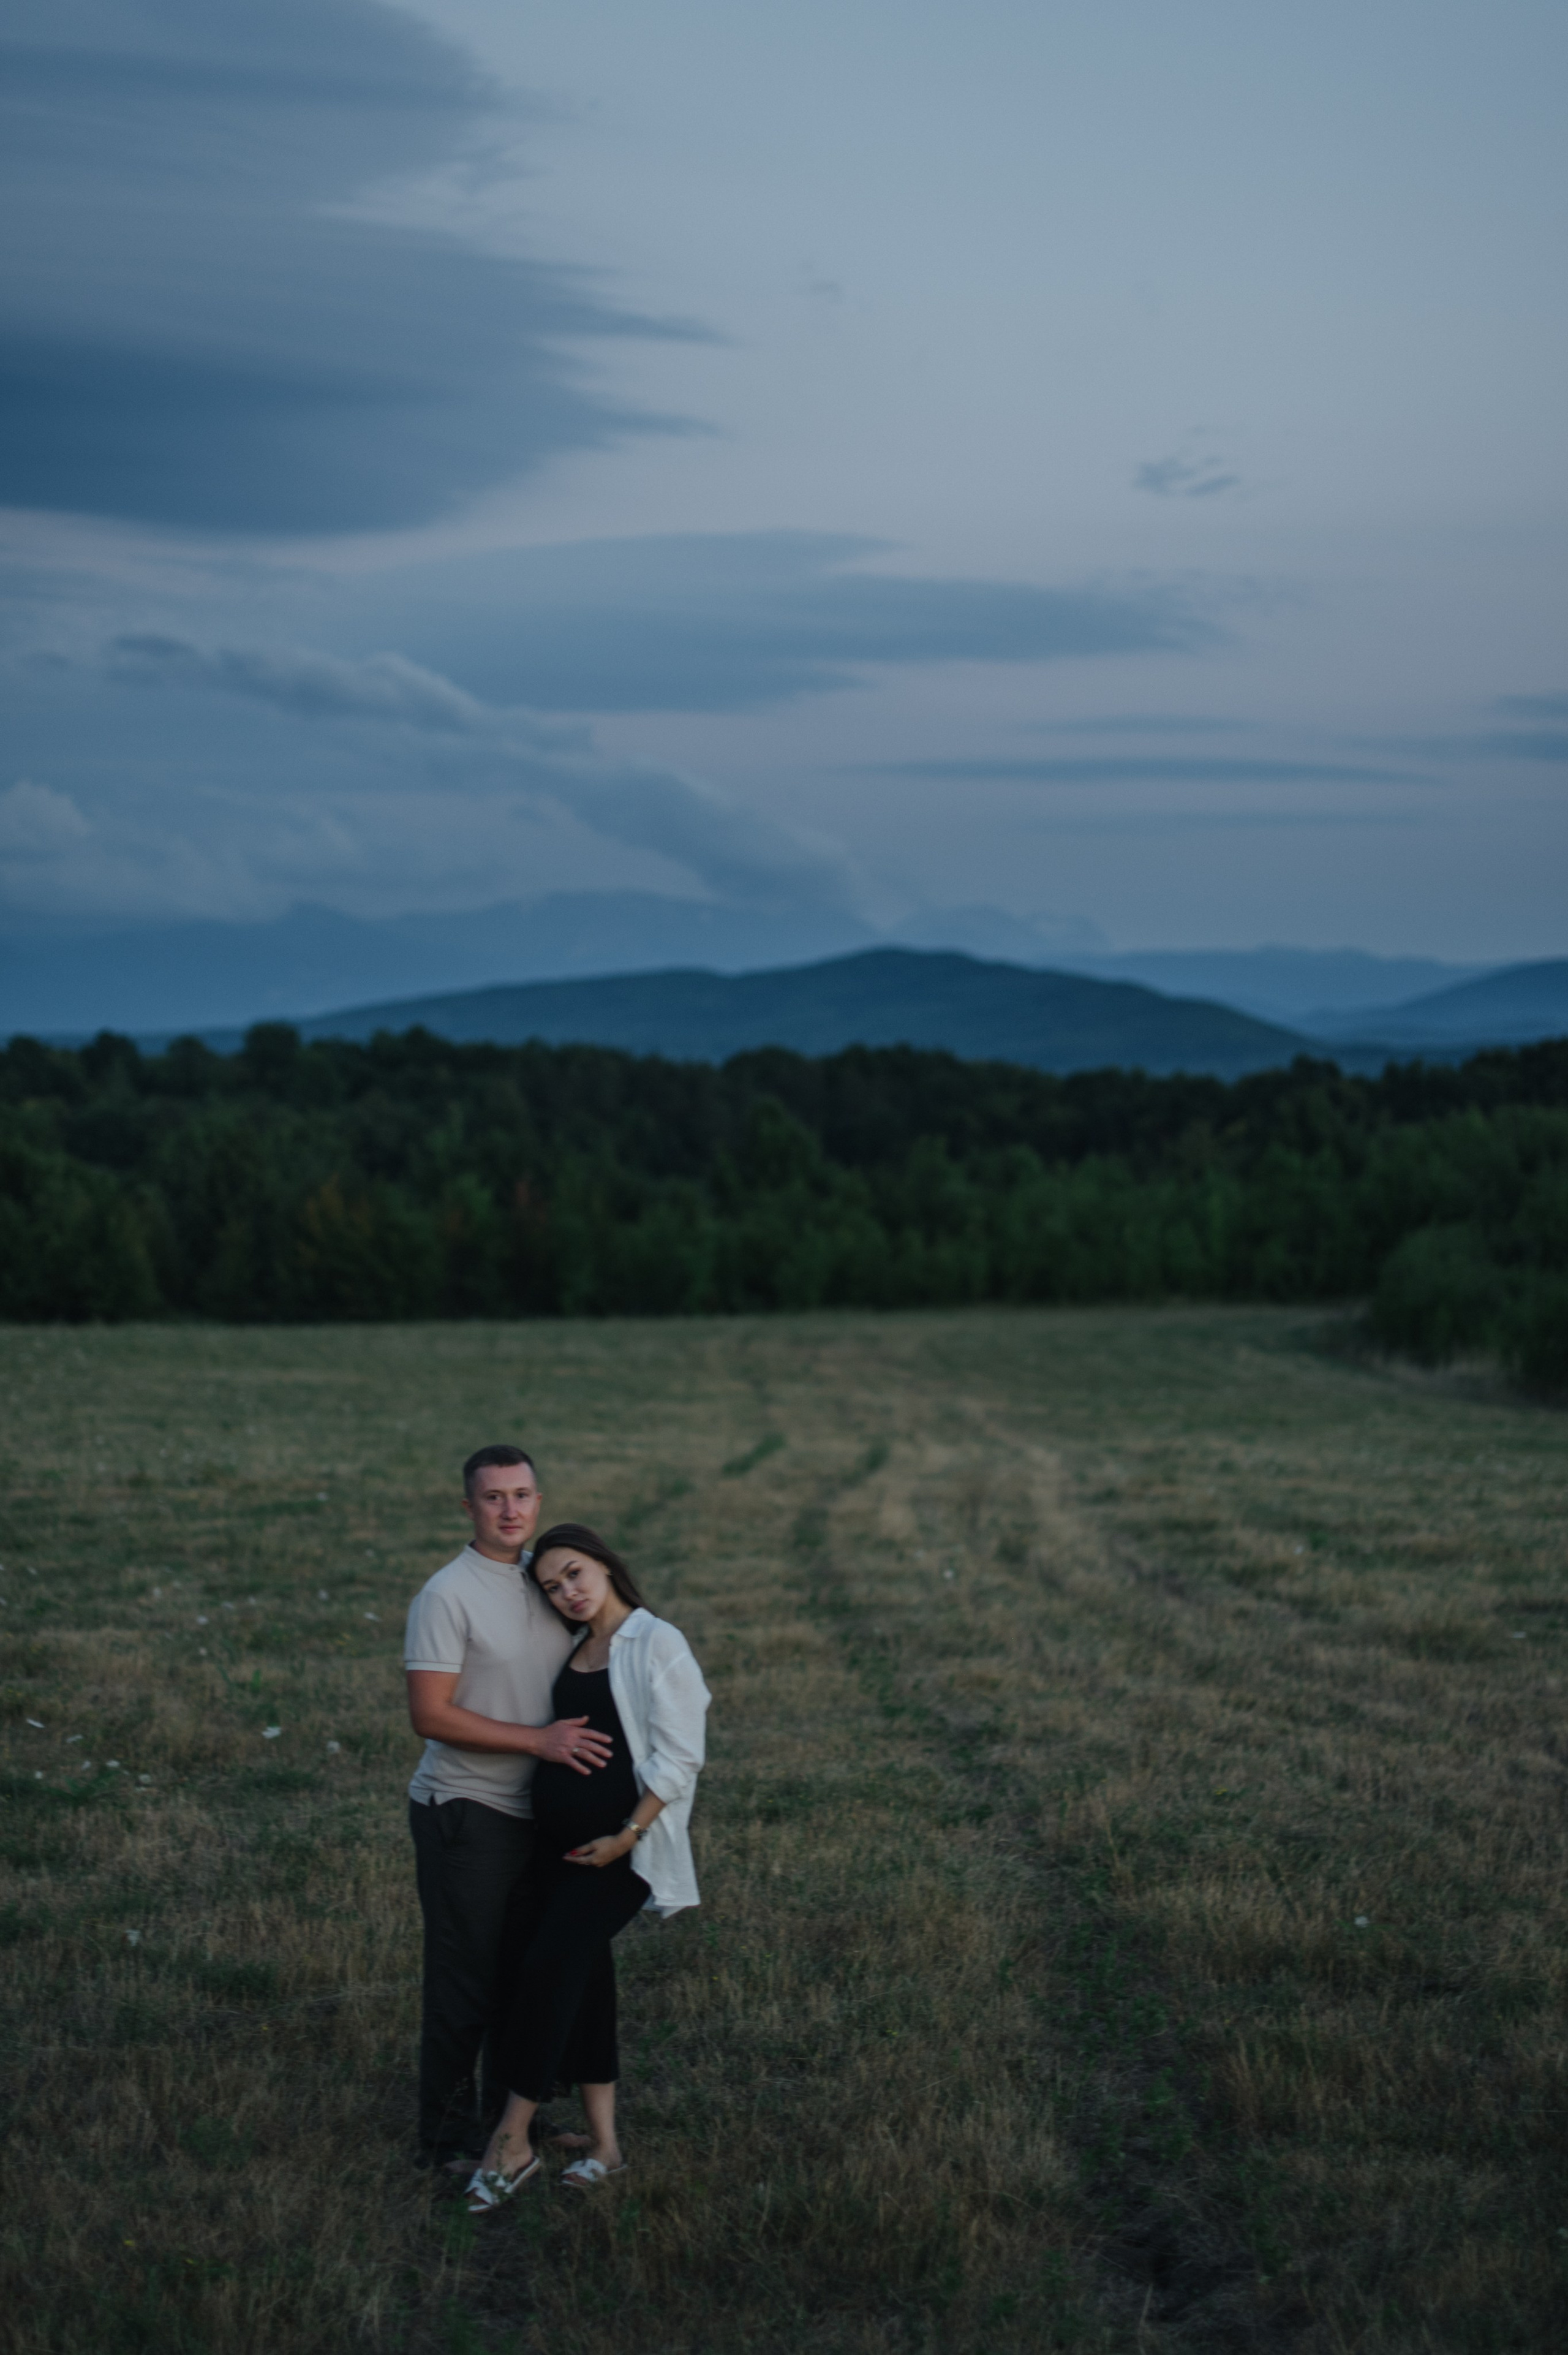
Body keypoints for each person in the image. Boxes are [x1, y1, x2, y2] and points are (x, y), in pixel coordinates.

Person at [466, 1523, 710, 2211]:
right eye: (551, 1586)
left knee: (548, 1969)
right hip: (556, 1853)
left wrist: (625, 1836)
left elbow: (681, 1757)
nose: (567, 1591)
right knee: (583, 1977)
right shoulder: (578, 1648)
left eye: (574, 1573)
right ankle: (606, 2145)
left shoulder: (656, 1641)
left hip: (618, 1855)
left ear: (603, 1563)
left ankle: (511, 2142)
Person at [404, 1448, 616, 2172]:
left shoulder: (545, 1580)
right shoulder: (447, 1594)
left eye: (522, 1494)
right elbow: (429, 1715)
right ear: (468, 1509)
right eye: (493, 1498)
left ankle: (510, 2120)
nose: (510, 1510)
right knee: (465, 1983)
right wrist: (539, 1741)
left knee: (526, 1974)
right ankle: (444, 2138)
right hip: (469, 1808)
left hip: (540, 1814)